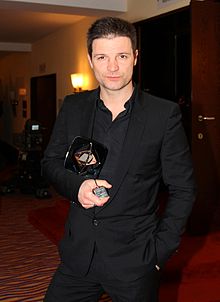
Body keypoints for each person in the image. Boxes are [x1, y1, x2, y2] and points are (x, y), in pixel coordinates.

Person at [42, 16, 196, 302]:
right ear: (90, 59)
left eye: (121, 56)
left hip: (135, 260)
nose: (112, 67)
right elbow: (50, 163)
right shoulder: (73, 106)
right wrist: (76, 187)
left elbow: (183, 189)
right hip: (79, 258)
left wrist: (160, 252)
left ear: (135, 57)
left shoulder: (164, 115)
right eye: (102, 56)